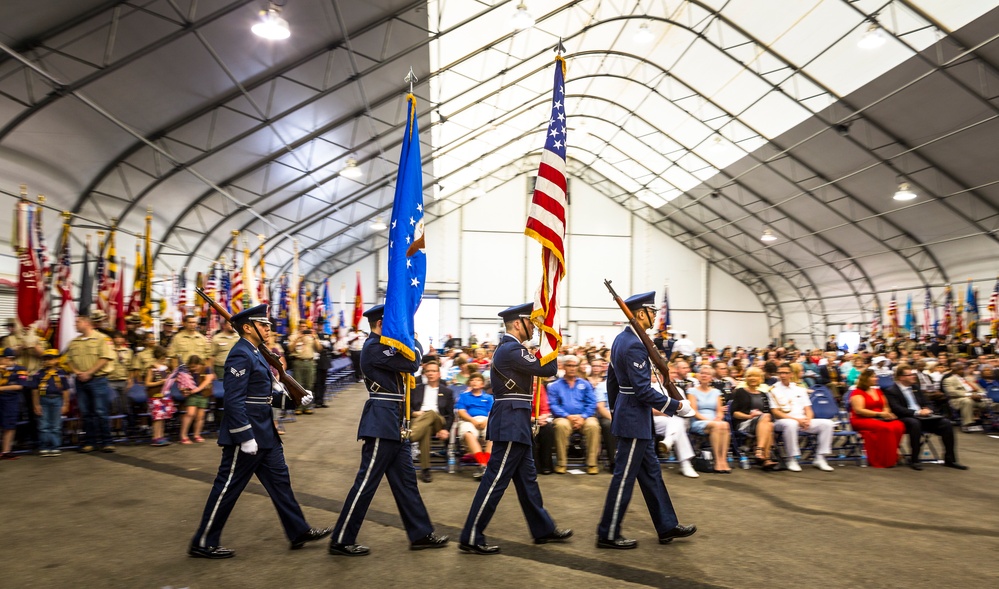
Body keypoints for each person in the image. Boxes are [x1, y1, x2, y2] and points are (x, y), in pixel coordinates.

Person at [190, 304, 329, 559]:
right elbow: (233, 401)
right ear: (247, 327)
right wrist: (244, 436)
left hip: (266, 434)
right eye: (263, 324)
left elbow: (263, 396)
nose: (268, 328)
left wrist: (295, 400)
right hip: (248, 436)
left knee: (281, 484)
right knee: (227, 487)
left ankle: (298, 530)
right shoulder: (240, 354)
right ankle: (203, 542)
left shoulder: (255, 353)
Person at [329, 305, 448, 556]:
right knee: (366, 483)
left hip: (395, 421)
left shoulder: (383, 346)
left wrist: (410, 341)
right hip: (382, 421)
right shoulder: (374, 347)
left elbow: (412, 360)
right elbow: (414, 361)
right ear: (383, 324)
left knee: (406, 483)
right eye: (397, 322)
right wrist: (412, 341)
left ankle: (420, 533)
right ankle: (341, 539)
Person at [458, 303, 571, 555]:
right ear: (518, 323)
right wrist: (548, 338)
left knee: (528, 480)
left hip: (515, 420)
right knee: (496, 480)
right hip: (510, 421)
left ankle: (542, 528)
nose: (534, 327)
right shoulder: (511, 349)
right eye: (531, 323)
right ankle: (471, 534)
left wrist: (544, 338)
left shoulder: (511, 349)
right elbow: (549, 369)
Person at [596, 291, 696, 550]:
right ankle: (607, 533)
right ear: (641, 313)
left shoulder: (622, 340)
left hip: (632, 417)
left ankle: (666, 524)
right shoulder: (634, 344)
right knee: (624, 477)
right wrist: (676, 407)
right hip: (633, 419)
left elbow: (612, 382)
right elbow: (641, 390)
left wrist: (616, 408)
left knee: (651, 474)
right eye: (652, 312)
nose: (655, 316)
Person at [882, 364, 966, 470]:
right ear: (901, 377)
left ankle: (950, 459)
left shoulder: (916, 388)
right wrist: (917, 412)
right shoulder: (891, 391)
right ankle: (915, 459)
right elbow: (897, 409)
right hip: (905, 418)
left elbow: (928, 402)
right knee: (914, 423)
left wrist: (928, 409)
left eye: (913, 374)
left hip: (924, 417)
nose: (913, 376)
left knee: (946, 423)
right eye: (910, 375)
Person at [768, 362, 835, 472]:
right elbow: (776, 412)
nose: (782, 375)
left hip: (802, 420)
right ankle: (792, 459)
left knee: (827, 424)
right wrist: (797, 420)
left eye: (785, 373)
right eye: (780, 373)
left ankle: (820, 457)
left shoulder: (799, 389)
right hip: (783, 421)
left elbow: (808, 409)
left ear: (791, 374)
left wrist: (808, 420)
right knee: (791, 424)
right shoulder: (772, 390)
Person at [65, 313, 116, 453]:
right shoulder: (74, 342)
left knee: (101, 411)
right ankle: (90, 442)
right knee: (86, 413)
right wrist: (76, 372)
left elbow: (105, 358)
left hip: (98, 380)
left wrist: (89, 373)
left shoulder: (102, 339)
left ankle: (107, 442)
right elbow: (68, 360)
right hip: (80, 381)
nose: (75, 324)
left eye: (78, 322)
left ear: (86, 323)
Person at [548, 355, 600, 475]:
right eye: (569, 365)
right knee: (561, 426)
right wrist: (568, 416)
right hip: (563, 418)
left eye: (574, 365)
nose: (572, 368)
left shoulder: (585, 384)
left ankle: (592, 464)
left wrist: (583, 417)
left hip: (584, 418)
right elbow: (554, 405)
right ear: (564, 367)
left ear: (578, 367)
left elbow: (592, 403)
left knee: (593, 425)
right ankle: (561, 463)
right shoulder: (555, 385)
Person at [849, 368, 905, 469]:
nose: (877, 378)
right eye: (874, 377)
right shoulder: (857, 392)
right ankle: (885, 459)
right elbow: (859, 410)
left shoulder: (878, 390)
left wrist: (887, 413)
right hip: (861, 419)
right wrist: (879, 415)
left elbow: (885, 406)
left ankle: (893, 453)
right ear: (866, 379)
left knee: (898, 425)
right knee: (886, 428)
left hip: (880, 417)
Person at [410, 359, 454, 483]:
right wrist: (414, 413)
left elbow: (451, 415)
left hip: (438, 421)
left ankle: (410, 436)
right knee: (426, 430)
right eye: (428, 371)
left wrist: (446, 430)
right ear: (424, 373)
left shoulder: (447, 392)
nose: (430, 373)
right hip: (419, 420)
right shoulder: (416, 389)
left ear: (439, 374)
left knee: (431, 413)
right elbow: (407, 408)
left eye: (434, 371)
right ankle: (426, 469)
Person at [651, 364, 698, 478]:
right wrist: (668, 411)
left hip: (675, 421)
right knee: (677, 422)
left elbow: (686, 410)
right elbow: (649, 409)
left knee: (677, 421)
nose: (674, 375)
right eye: (671, 373)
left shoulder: (679, 390)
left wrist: (671, 412)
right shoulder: (652, 387)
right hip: (656, 420)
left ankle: (669, 441)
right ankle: (685, 464)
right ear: (661, 374)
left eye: (675, 373)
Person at [729, 367, 777, 470]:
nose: (753, 378)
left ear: (760, 378)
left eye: (756, 376)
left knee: (769, 423)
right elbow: (735, 413)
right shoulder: (740, 392)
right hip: (744, 423)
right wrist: (749, 416)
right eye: (750, 376)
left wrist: (760, 417)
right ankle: (762, 453)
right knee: (767, 419)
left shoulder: (763, 394)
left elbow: (768, 412)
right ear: (746, 378)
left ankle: (764, 457)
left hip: (762, 424)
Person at [686, 366, 731, 473]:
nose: (704, 375)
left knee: (725, 425)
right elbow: (694, 411)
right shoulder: (692, 391)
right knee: (717, 425)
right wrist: (710, 421)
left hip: (715, 421)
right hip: (698, 421)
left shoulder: (716, 392)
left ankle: (723, 460)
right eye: (702, 373)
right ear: (698, 376)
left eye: (707, 374)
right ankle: (717, 461)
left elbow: (719, 410)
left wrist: (719, 417)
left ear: (711, 377)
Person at [31, 350, 71, 456]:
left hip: (57, 400)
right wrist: (36, 404)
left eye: (51, 358)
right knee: (43, 425)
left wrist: (66, 404)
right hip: (43, 400)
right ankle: (44, 446)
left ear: (57, 360)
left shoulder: (61, 373)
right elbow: (34, 391)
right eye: (46, 359)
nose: (48, 361)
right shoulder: (38, 374)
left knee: (56, 425)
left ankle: (55, 446)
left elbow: (65, 390)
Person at [455, 372, 494, 478]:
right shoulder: (464, 396)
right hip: (468, 420)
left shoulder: (489, 397)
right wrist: (473, 421)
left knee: (493, 433)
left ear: (482, 384)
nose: (474, 382)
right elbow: (461, 412)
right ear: (469, 383)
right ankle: (483, 464)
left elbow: (492, 413)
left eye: (477, 380)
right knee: (468, 433)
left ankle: (484, 466)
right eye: (472, 380)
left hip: (486, 420)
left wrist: (486, 421)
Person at [943, 362, 993, 432]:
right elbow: (951, 392)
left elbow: (980, 389)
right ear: (955, 371)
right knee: (967, 401)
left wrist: (980, 395)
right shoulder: (948, 380)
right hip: (958, 400)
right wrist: (969, 395)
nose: (963, 371)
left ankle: (992, 421)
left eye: (963, 369)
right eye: (960, 369)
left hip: (975, 398)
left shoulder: (969, 379)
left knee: (990, 401)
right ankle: (967, 424)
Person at [178, 355, 215, 444]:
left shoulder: (206, 369)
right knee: (190, 414)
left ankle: (197, 434)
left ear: (199, 364)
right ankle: (183, 435)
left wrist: (197, 389)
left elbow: (207, 380)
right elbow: (181, 381)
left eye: (195, 366)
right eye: (191, 366)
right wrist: (183, 389)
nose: (193, 368)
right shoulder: (186, 371)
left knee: (200, 416)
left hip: (203, 394)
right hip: (192, 395)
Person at [0, 348, 28, 459]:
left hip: (11, 399)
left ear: (8, 359)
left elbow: (20, 385)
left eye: (1, 358)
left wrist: (1, 388)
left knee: (9, 425)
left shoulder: (20, 369)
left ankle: (6, 451)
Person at [288, 322, 321, 415]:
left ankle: (307, 406)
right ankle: (299, 407)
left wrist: (314, 337)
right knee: (298, 385)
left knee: (309, 385)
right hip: (298, 362)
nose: (303, 328)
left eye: (305, 327)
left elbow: (319, 348)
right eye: (301, 326)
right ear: (299, 327)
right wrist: (298, 338)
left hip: (310, 362)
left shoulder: (312, 336)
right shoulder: (294, 336)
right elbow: (290, 349)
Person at [145, 347, 175, 447]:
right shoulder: (152, 368)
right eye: (162, 357)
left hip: (165, 395)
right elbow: (147, 383)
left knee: (163, 417)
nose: (164, 359)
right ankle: (155, 437)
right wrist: (160, 382)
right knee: (157, 417)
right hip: (155, 396)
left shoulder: (166, 368)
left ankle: (161, 436)